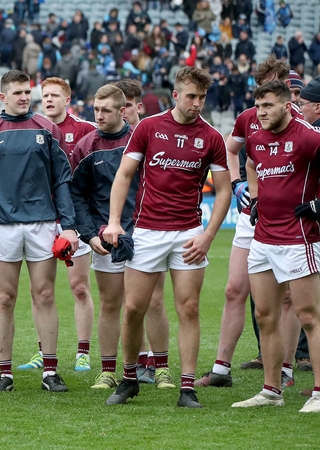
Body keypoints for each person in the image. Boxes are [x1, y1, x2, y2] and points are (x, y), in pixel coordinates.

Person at [103, 67, 231, 408]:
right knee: (133, 309)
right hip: (146, 231)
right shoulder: (148, 127)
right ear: (175, 95)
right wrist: (114, 222)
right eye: (191, 96)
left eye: (202, 97)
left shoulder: (212, 138)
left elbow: (222, 192)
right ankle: (129, 378)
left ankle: (187, 388)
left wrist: (208, 236)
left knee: (189, 308)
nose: (197, 103)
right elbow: (125, 174)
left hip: (188, 234)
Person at [196, 57, 305, 388]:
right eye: (261, 88)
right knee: (234, 289)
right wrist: (238, 182)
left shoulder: (302, 125)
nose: (264, 98)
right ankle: (220, 370)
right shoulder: (247, 118)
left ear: (286, 88)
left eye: (273, 86)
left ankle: (284, 371)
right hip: (250, 215)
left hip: (287, 220)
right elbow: (231, 151)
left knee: (286, 299)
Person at [0, 70, 79, 393]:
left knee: (44, 294)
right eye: (16, 92)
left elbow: (62, 181)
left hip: (43, 223)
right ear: (2, 97)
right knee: (5, 298)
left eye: (26, 91)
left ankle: (50, 371)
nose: (24, 97)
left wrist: (69, 226)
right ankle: (5, 373)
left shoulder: (48, 129)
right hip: (2, 225)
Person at [231, 80, 320, 412]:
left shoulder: (309, 137)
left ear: (286, 105)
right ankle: (271, 390)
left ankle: (319, 393)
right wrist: (254, 198)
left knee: (309, 315)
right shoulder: (255, 140)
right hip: (263, 240)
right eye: (257, 105)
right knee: (265, 315)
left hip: (299, 239)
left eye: (267, 105)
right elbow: (251, 164)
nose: (261, 111)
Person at [18, 76, 97, 372]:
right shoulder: (31, 126)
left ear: (67, 99)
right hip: (40, 218)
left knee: (79, 286)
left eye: (54, 95)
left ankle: (83, 352)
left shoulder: (86, 131)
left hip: (74, 219)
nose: (48, 100)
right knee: (39, 291)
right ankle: (43, 351)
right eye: (44, 95)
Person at [69, 84, 135, 389]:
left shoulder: (140, 139)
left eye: (105, 109)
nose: (99, 115)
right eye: (96, 109)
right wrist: (90, 234)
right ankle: (109, 371)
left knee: (147, 303)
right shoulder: (85, 146)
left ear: (122, 111)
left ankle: (153, 366)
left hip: (142, 233)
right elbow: (77, 195)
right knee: (110, 303)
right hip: (104, 238)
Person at [114, 77, 172, 385]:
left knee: (155, 298)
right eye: (116, 105)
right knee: (126, 300)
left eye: (125, 105)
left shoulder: (153, 136)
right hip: (118, 226)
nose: (120, 111)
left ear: (138, 106)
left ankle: (156, 363)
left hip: (148, 224)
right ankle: (131, 363)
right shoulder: (109, 138)